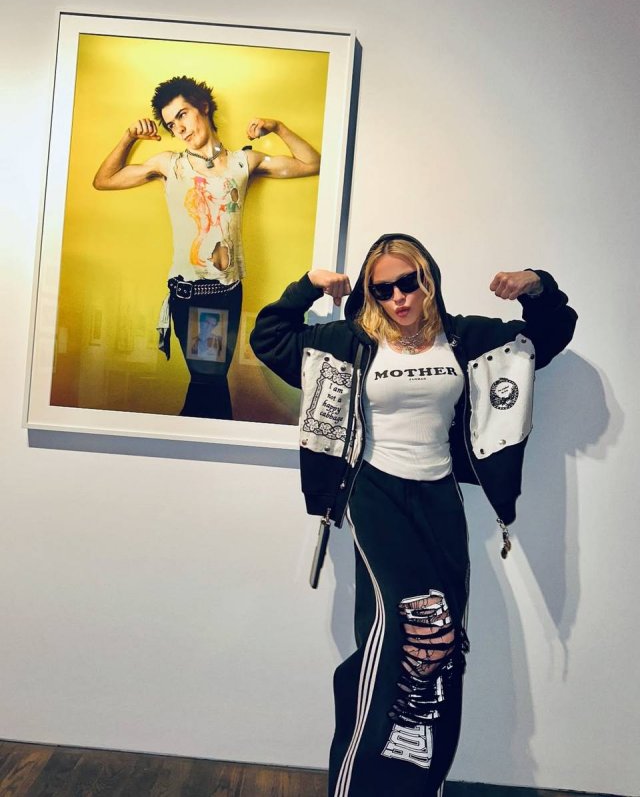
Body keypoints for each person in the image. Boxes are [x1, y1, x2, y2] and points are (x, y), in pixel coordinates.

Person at [250, 233, 577, 797]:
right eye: (383, 289)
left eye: (408, 283)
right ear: (371, 294)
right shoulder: (350, 342)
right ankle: (357, 782)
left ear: (428, 280)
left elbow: (550, 333)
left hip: (439, 495)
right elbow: (269, 337)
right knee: (405, 628)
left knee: (440, 644)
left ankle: (418, 782)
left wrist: (536, 286)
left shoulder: (465, 339)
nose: (398, 297)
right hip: (375, 492)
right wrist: (308, 287)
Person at [93, 75, 320, 420]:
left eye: (182, 115)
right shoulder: (169, 164)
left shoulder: (244, 162)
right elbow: (104, 180)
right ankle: (202, 443)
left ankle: (191, 443)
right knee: (209, 382)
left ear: (203, 107)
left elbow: (311, 163)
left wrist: (278, 127)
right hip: (192, 293)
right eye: (172, 124)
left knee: (209, 385)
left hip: (228, 291)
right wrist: (128, 137)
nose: (180, 129)